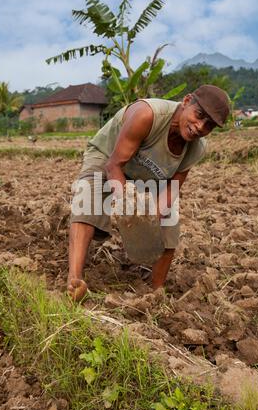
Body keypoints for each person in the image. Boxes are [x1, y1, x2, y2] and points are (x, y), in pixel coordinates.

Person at [68, 84, 230, 301]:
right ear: (186, 101)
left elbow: (172, 189)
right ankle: (75, 281)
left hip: (145, 174)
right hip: (109, 156)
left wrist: (151, 217)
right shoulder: (148, 115)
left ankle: (156, 292)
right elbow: (114, 165)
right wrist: (128, 205)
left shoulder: (196, 148)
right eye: (199, 115)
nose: (200, 126)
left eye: (209, 126)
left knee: (169, 222)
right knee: (88, 197)